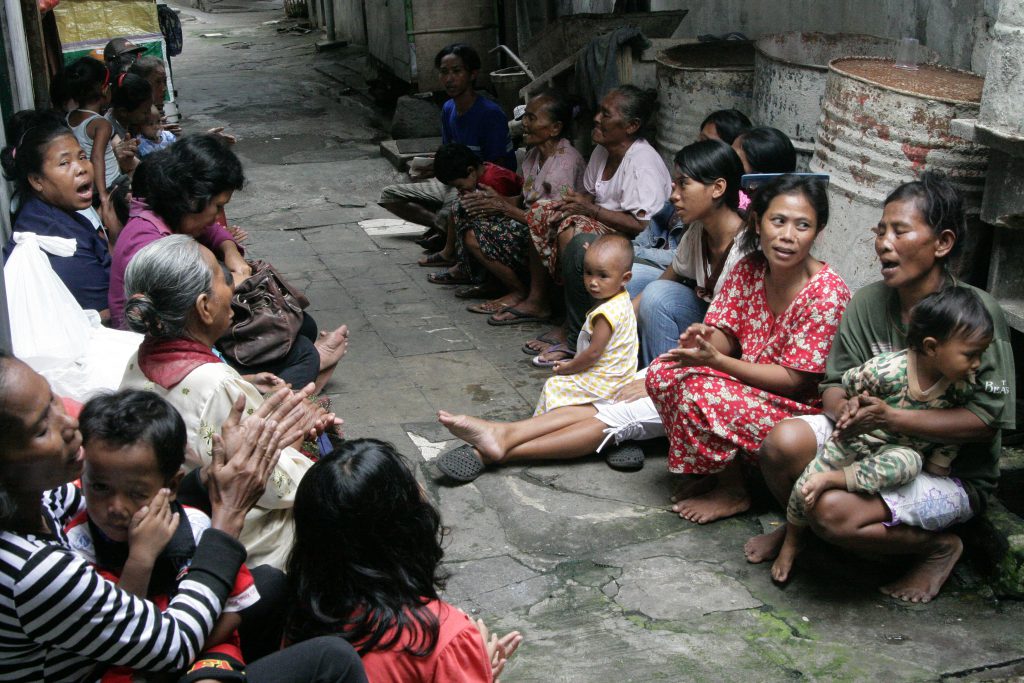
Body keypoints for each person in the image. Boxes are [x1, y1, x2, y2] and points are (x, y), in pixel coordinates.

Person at [0, 352, 366, 682]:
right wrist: (228, 517)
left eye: (52, 400)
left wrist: (213, 475)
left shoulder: (39, 498)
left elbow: (108, 500)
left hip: (133, 642)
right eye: (40, 428)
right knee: (331, 660)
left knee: (270, 583)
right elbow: (171, 645)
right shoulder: (31, 572)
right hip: (128, 662)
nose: (67, 424)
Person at [746, 172, 1015, 604]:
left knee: (830, 510)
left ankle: (938, 549)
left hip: (948, 472)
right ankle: (809, 528)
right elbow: (834, 384)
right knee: (782, 442)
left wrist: (891, 417)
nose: (883, 242)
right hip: (871, 444)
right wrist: (846, 411)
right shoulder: (868, 303)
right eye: (880, 230)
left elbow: (985, 421)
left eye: (900, 231)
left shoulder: (976, 314)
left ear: (942, 243)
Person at [119, 235, 340, 569]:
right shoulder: (216, 384)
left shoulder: (141, 358)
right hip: (233, 538)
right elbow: (277, 488)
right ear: (204, 307)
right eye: (222, 278)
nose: (233, 286)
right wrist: (292, 440)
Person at [645, 174, 850, 524]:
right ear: (758, 222)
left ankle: (734, 491)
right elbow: (727, 332)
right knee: (664, 371)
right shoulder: (749, 268)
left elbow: (792, 379)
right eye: (778, 221)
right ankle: (722, 471)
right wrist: (705, 340)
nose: (787, 236)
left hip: (799, 412)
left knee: (701, 390)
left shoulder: (826, 294)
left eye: (802, 225)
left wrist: (720, 362)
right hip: (752, 392)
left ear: (818, 232)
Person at [773, 287, 993, 583]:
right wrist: (851, 404)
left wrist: (940, 459)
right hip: (861, 438)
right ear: (931, 347)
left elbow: (954, 436)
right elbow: (849, 381)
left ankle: (837, 482)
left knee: (908, 462)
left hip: (899, 453)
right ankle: (791, 539)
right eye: (971, 355)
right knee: (807, 482)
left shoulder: (961, 386)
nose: (978, 364)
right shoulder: (889, 370)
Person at [110, 135, 349, 390]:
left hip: (184, 333)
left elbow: (212, 232)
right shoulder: (151, 244)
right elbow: (189, 312)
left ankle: (303, 372)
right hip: (167, 345)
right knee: (302, 351)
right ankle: (309, 374)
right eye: (217, 206)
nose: (217, 218)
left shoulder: (165, 211)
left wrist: (230, 250)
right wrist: (232, 285)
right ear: (192, 199)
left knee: (302, 324)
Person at [286, 439, 521, 682]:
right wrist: (475, 667)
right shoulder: (439, 636)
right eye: (411, 485)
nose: (421, 486)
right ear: (407, 526)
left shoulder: (300, 613)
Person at [68, 389, 260, 681]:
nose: (116, 507)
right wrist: (140, 560)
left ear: (171, 485)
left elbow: (235, 608)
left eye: (137, 493)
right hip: (119, 664)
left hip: (201, 648)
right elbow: (114, 634)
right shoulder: (79, 546)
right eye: (100, 487)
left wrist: (175, 659)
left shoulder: (196, 528)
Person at [436, 235, 640, 481]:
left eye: (602, 276)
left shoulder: (606, 313)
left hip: (608, 379)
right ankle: (511, 437)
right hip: (621, 373)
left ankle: (532, 433)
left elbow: (593, 353)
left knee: (556, 387)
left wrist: (569, 367)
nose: (593, 282)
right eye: (588, 273)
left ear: (625, 278)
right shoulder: (621, 297)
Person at [520, 85, 671, 359]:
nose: (597, 119)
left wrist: (587, 210)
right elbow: (591, 194)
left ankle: (574, 327)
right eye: (599, 111)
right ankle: (549, 304)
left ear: (631, 125)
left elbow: (643, 225)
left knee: (575, 234)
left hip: (635, 239)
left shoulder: (642, 163)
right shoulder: (603, 152)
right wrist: (567, 206)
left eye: (606, 114)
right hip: (608, 225)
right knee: (545, 213)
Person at [426, 90, 586, 322]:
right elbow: (525, 200)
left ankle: (523, 293)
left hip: (551, 233)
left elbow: (549, 220)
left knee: (475, 235)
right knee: (464, 208)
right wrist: (493, 200)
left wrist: (503, 208)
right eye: (526, 117)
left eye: (532, 118)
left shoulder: (564, 163)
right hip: (530, 222)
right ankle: (487, 280)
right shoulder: (533, 155)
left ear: (554, 128)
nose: (525, 124)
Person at [379, 44, 514, 250]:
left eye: (457, 71)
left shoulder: (490, 114)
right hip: (453, 181)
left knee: (454, 203)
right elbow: (449, 153)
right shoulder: (448, 108)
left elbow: (497, 167)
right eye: (444, 72)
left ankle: (445, 232)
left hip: (481, 183)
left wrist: (465, 182)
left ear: (472, 74)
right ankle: (440, 226)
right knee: (389, 195)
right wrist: (434, 166)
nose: (449, 79)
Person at [630, 139, 749, 366]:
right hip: (708, 319)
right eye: (675, 186)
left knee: (657, 296)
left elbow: (740, 332)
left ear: (718, 188)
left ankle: (662, 380)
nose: (673, 195)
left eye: (683, 184)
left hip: (732, 340)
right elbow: (671, 274)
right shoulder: (698, 230)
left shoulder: (746, 248)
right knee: (632, 279)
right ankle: (627, 368)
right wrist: (613, 322)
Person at [1, 113, 112, 317]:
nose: (81, 169)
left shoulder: (62, 212)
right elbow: (102, 312)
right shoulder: (54, 237)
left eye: (82, 157)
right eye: (64, 163)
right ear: (37, 180)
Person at [425, 142, 522, 286]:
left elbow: (504, 208)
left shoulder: (492, 181)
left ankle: (472, 271)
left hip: (516, 219)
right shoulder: (479, 173)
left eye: (459, 186)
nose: (459, 190)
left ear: (471, 170)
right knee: (458, 206)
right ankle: (453, 257)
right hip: (507, 214)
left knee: (468, 215)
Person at [64, 58, 124, 207]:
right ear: (104, 89)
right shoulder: (101, 124)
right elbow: (97, 158)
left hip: (88, 184)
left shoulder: (69, 118)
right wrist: (104, 195)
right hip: (110, 185)